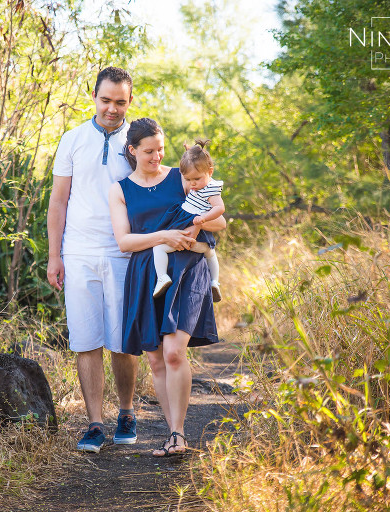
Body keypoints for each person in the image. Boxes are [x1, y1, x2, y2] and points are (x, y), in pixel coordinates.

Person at [108, 118, 225, 456]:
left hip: (188, 268)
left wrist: (196, 225)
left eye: (161, 149)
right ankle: (173, 435)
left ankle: (180, 433)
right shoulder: (121, 189)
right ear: (133, 151)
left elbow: (220, 220)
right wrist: (165, 236)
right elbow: (124, 242)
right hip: (149, 272)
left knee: (175, 352)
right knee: (157, 362)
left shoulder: (182, 175)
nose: (158, 156)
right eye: (149, 151)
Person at [47, 67, 139, 453]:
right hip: (79, 251)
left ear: (129, 102)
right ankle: (95, 423)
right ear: (94, 97)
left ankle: (127, 411)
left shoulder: (139, 141)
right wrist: (55, 256)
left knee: (122, 340)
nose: (112, 109)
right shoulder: (72, 139)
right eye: (106, 100)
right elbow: (58, 200)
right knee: (86, 339)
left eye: (120, 102)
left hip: (124, 252)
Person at [151, 139, 224, 302]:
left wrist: (203, 219)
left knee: (159, 248)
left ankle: (163, 277)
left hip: (192, 234)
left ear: (210, 172)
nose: (192, 184)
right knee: (209, 252)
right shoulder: (199, 181)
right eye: (188, 179)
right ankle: (214, 282)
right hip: (191, 237)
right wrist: (189, 150)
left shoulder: (211, 189)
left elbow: (220, 208)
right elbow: (197, 162)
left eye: (196, 179)